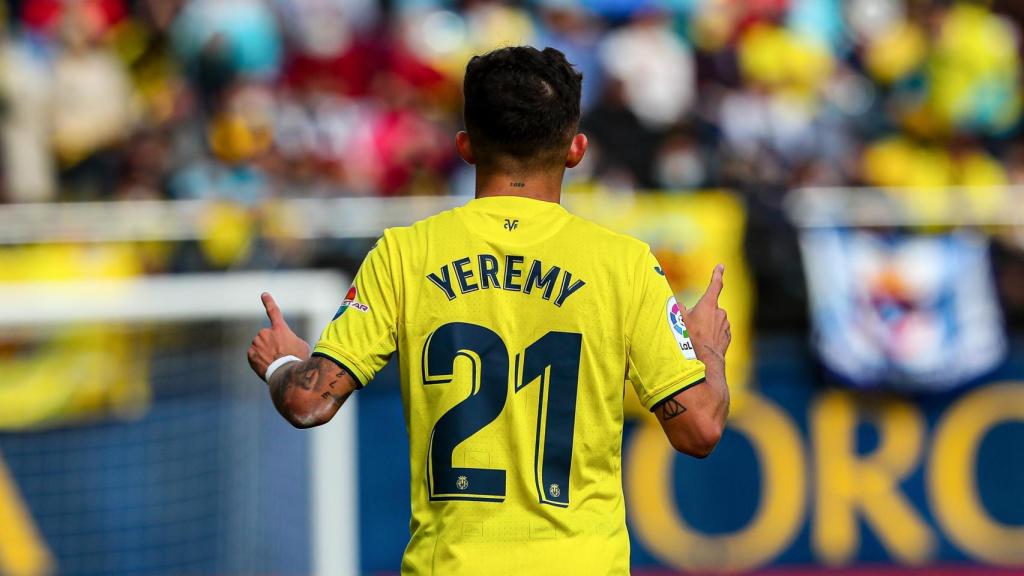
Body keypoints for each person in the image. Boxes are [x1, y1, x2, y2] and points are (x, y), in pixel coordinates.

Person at [247, 46, 731, 576]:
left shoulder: (405, 254)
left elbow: (307, 401)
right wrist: (706, 347)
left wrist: (282, 363)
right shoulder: (625, 264)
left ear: (465, 147)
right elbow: (699, 429)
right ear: (576, 149)